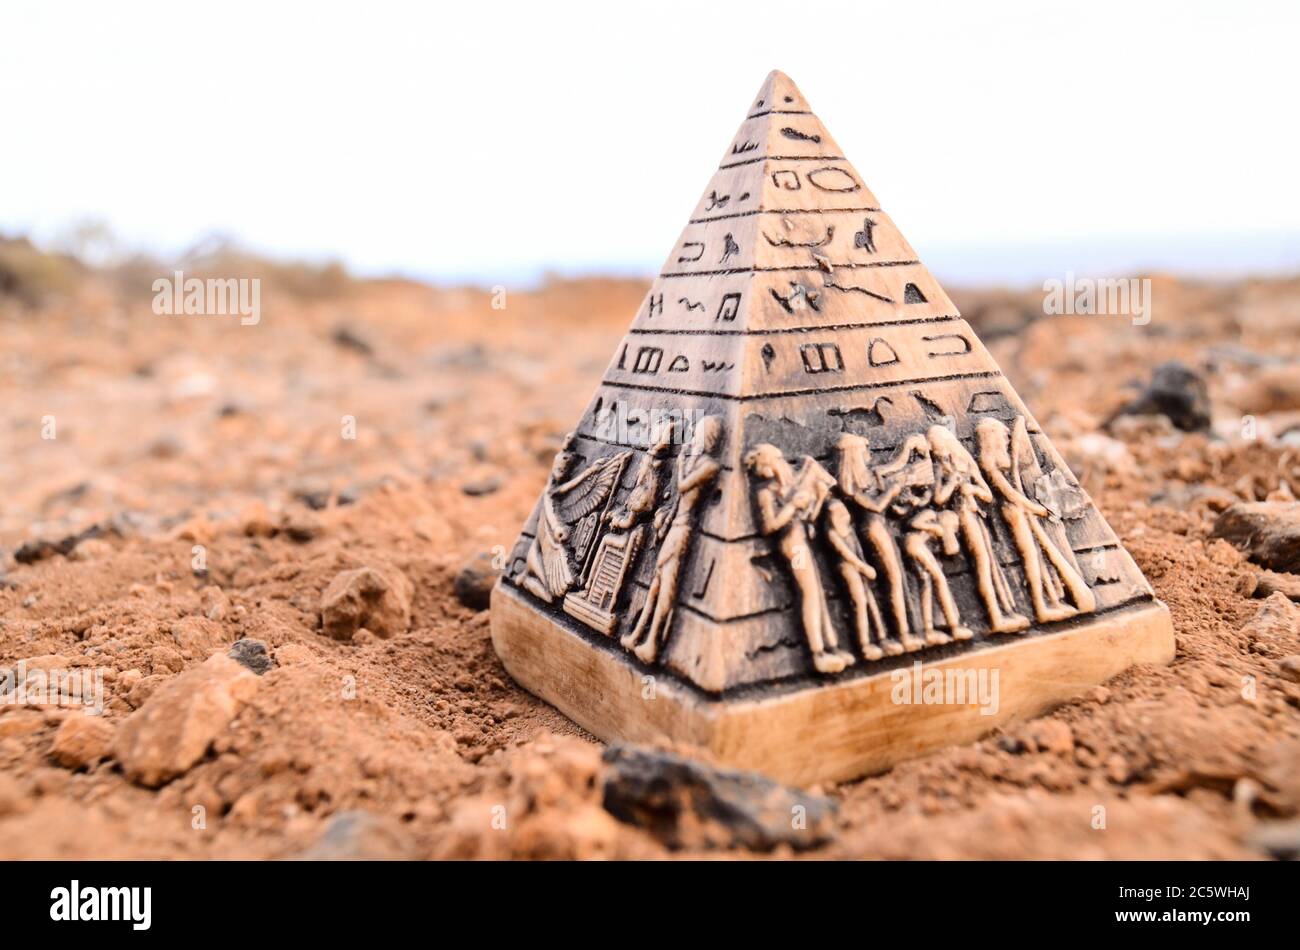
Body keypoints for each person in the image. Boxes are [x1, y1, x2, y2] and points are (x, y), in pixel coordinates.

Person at [623, 416, 722, 664]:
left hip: (684, 528)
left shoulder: (709, 465)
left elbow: (684, 485)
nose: (693, 439)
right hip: (674, 525)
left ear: (707, 437)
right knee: (656, 583)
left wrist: (680, 464)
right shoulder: (693, 460)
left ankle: (654, 643)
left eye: (698, 434)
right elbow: (675, 498)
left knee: (668, 584)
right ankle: (637, 634)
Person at [746, 443, 853, 675]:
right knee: (809, 594)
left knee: (818, 595)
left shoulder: (784, 488)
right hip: (792, 549)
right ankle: (816, 653)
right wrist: (793, 506)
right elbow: (769, 526)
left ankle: (831, 646)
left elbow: (805, 519)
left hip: (802, 543)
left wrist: (816, 501)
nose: (782, 464)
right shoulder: (765, 492)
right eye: (776, 461)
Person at [976, 417, 1095, 622]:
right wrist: (1037, 509)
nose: (1006, 440)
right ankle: (1040, 607)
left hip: (1020, 510)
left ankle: (1051, 601)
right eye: (1003, 437)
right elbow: (1009, 494)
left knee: (1039, 559)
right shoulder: (989, 464)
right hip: (1014, 512)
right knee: (1031, 559)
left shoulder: (999, 459)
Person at [929, 425, 1029, 634]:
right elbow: (938, 499)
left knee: (991, 565)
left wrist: (972, 488)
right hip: (962, 519)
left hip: (975, 517)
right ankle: (994, 617)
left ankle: (1005, 610)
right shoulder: (939, 468)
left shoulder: (966, 463)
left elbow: (987, 494)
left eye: (938, 446)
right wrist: (951, 485)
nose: (937, 452)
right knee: (982, 564)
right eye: (934, 449)